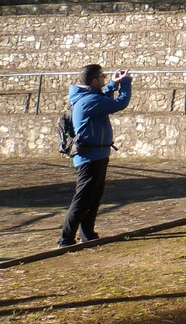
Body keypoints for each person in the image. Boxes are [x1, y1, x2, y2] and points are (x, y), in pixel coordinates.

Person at [59, 64, 132, 247]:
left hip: (97, 155)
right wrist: (125, 83)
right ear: (93, 81)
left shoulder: (89, 97)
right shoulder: (89, 100)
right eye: (102, 76)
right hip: (89, 157)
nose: (105, 78)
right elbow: (119, 103)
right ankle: (66, 238)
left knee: (93, 197)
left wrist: (112, 85)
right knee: (83, 198)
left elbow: (102, 98)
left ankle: (87, 234)